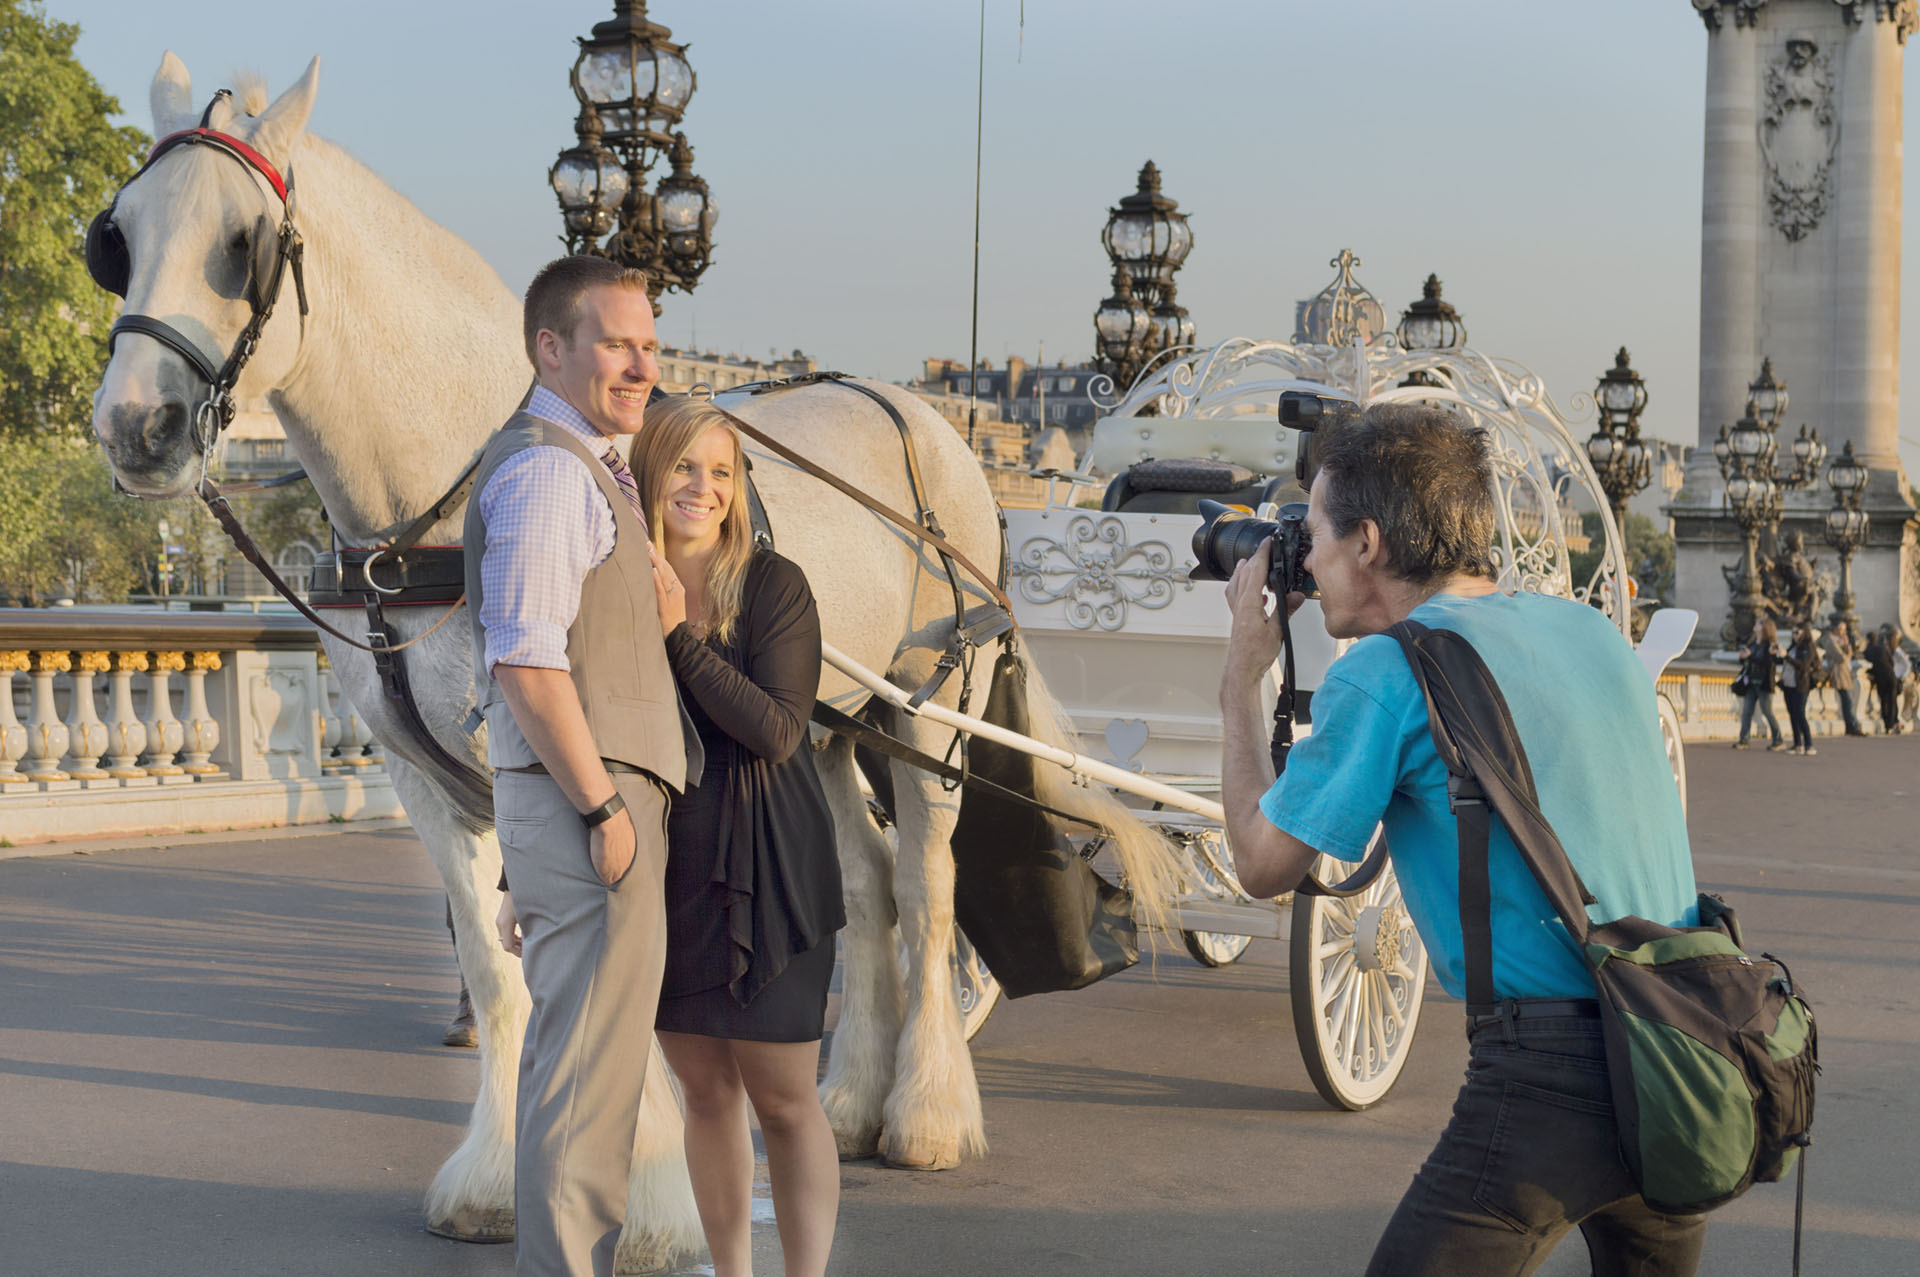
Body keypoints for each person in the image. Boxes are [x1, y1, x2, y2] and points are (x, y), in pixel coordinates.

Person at [1219, 403, 1706, 1274]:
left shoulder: (1391, 670)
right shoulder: (1590, 631)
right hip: (1676, 1039)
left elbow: (1260, 862)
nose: (1310, 562)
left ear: (1367, 543)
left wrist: (1241, 678)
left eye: (1317, 535)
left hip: (1549, 1073)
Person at [470, 255, 701, 1277]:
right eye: (617, 342)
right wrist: (602, 807)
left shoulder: (583, 468)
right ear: (550, 348)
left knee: (593, 1076)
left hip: (578, 810)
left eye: (650, 345)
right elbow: (524, 659)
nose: (641, 364)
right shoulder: (549, 471)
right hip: (592, 801)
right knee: (583, 1080)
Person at [636, 397, 846, 1277]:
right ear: (652, 470)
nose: (704, 487)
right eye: (687, 465)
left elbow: (776, 730)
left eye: (722, 472)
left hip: (771, 860)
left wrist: (677, 637)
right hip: (667, 863)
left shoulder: (773, 584)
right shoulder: (608, 576)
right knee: (706, 1092)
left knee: (787, 1099)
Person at [1734, 617, 1785, 752]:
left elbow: (1768, 663)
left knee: (1767, 712)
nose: (1755, 625)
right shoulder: (1753, 644)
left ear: (1764, 628)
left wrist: (1750, 656)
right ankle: (1744, 740)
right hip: (1751, 683)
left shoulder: (1769, 645)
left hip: (1764, 684)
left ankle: (1778, 739)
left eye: (1758, 624)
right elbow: (1747, 662)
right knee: (1746, 712)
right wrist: (1743, 657)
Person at [1821, 619, 1866, 737]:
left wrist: (1846, 645)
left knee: (1849, 701)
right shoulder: (1830, 640)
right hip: (1838, 674)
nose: (1843, 632)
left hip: (1845, 673)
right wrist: (1845, 649)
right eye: (1842, 629)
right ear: (1835, 629)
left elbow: (1848, 656)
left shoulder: (1839, 640)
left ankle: (1852, 726)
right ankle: (1852, 726)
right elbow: (1842, 658)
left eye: (1844, 629)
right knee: (1848, 701)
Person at [1780, 623, 1818, 756]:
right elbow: (1785, 662)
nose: (1794, 635)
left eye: (1797, 632)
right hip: (1788, 684)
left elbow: (1803, 665)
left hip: (1801, 685)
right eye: (1793, 632)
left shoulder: (1809, 646)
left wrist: (1786, 656)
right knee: (1792, 715)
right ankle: (1797, 744)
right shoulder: (1793, 646)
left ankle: (1809, 744)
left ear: (1804, 632)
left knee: (1800, 714)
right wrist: (1776, 654)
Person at [1865, 625, 1901, 734]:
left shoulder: (1868, 650)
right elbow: (1892, 662)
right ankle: (1891, 724)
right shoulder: (1882, 648)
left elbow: (1869, 666)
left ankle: (1887, 725)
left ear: (1867, 640)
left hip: (1881, 679)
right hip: (1891, 676)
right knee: (1892, 701)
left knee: (1884, 701)